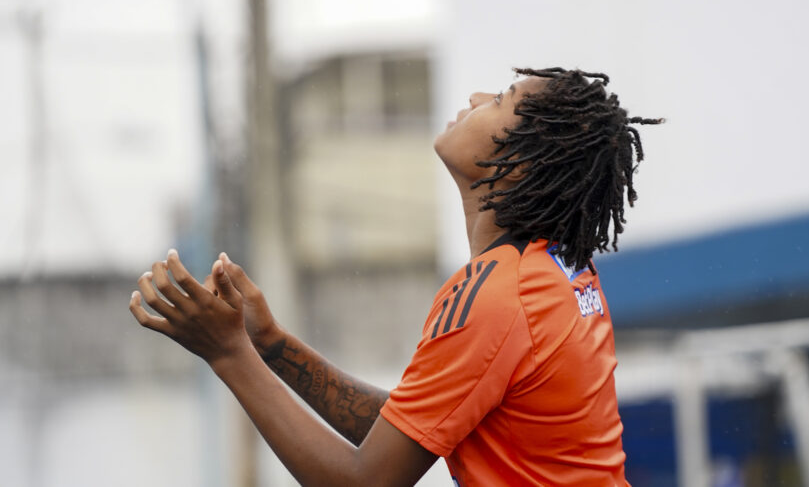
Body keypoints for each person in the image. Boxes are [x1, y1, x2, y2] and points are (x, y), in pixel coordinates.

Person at [129, 67, 661, 486]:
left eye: (499, 100)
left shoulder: (498, 295)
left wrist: (228, 354)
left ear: (519, 162)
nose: (476, 97)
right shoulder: (557, 269)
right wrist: (271, 346)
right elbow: (411, 431)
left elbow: (364, 483)